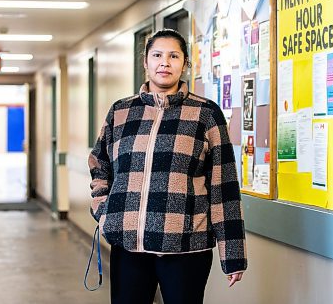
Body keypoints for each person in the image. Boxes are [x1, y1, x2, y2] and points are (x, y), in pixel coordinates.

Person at [88, 29, 247, 304]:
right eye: (157, 55)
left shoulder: (205, 114)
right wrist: (105, 210)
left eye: (174, 56)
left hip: (186, 249)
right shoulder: (121, 112)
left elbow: (224, 186)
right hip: (129, 248)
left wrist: (232, 254)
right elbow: (100, 164)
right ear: (146, 62)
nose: (165, 62)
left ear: (185, 63)